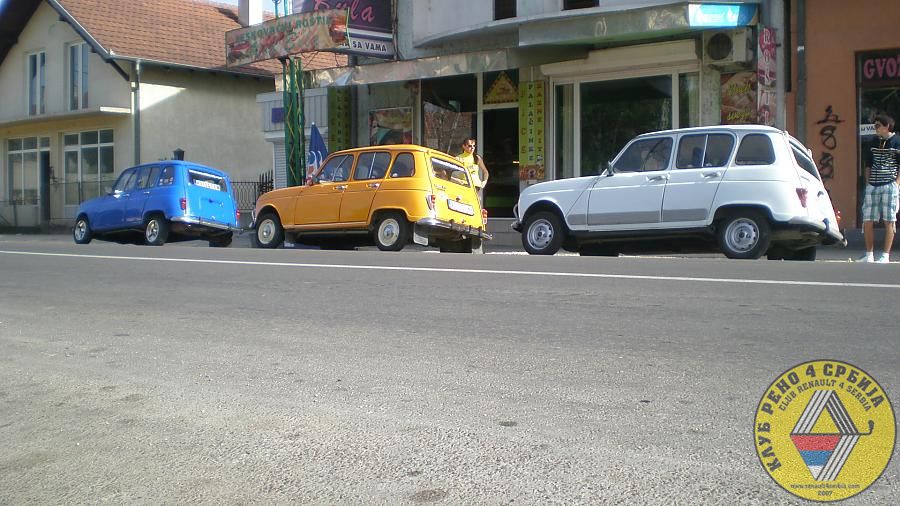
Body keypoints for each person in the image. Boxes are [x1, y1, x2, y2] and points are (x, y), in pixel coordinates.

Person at [858, 113, 900, 263]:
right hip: (873, 185)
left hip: (889, 184)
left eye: (877, 126)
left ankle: (885, 255)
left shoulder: (897, 142)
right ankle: (869, 254)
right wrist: (868, 181)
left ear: (886, 126)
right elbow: (868, 163)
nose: (875, 128)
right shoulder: (874, 141)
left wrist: (896, 183)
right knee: (868, 219)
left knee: (889, 220)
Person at [455, 137, 489, 205]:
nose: (472, 148)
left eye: (474, 146)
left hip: (476, 186)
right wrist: (457, 181)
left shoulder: (477, 158)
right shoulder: (458, 158)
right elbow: (449, 173)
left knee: (475, 205)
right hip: (464, 185)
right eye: (470, 146)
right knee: (464, 204)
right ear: (463, 146)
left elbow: (485, 172)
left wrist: (484, 183)